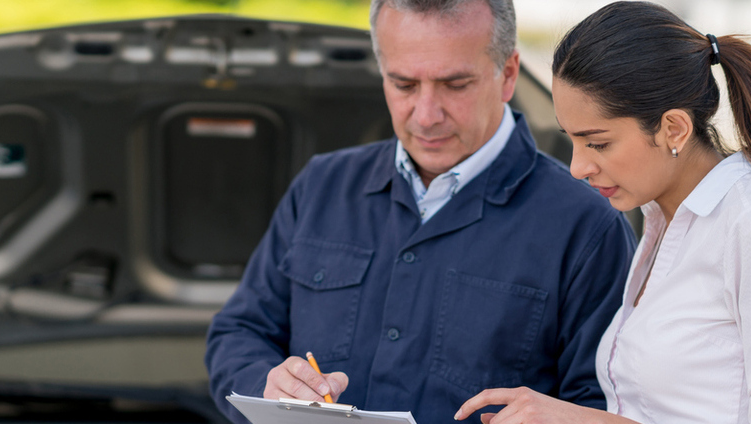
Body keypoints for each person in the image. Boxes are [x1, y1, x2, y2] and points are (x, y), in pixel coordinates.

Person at [203, 0, 637, 423]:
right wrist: (268, 385)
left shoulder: (588, 227)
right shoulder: (322, 185)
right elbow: (239, 332)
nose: (426, 116)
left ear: (507, 75)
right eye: (404, 85)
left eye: (455, 85)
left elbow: (603, 406)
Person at [455, 2, 751, 423]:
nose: (577, 167)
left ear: (674, 129)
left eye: (598, 143)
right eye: (570, 139)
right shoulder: (660, 220)